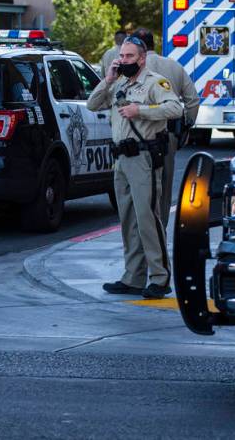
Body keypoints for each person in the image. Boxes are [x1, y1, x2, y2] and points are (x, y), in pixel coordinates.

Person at [87, 37, 183, 299]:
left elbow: (175, 108)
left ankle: (160, 277)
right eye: (122, 56)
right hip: (121, 160)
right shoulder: (118, 82)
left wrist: (141, 110)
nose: (124, 60)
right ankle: (133, 277)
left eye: (130, 56)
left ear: (142, 58)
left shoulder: (154, 82)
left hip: (144, 159)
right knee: (128, 219)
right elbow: (92, 104)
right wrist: (107, 78)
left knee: (148, 218)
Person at [132, 27, 200, 229]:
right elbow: (193, 101)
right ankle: (160, 228)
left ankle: (142, 229)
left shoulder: (130, 66)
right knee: (165, 182)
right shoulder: (174, 66)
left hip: (136, 135)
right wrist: (186, 126)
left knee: (140, 184)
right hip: (166, 134)